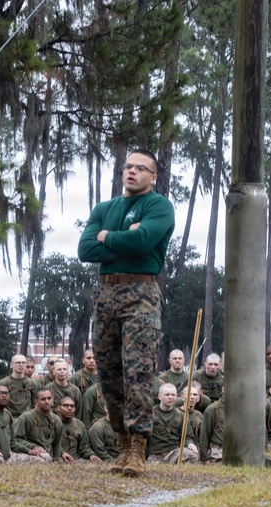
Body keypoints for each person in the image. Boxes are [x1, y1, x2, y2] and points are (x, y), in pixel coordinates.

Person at [77, 148, 174, 477]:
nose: (131, 172)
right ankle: (121, 443)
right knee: (109, 371)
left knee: (137, 371)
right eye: (127, 166)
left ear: (153, 176)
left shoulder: (158, 206)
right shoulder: (105, 208)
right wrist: (123, 237)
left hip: (141, 294)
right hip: (105, 294)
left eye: (140, 168)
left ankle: (138, 447)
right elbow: (85, 249)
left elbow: (144, 241)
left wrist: (108, 238)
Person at [0, 384, 47, 465]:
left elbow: (13, 443)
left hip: (8, 457)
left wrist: (29, 451)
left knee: (40, 459)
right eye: (1, 393)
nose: (4, 396)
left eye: (7, 393)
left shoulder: (8, 414)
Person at [146, 384, 199, 464]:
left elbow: (188, 436)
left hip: (174, 453)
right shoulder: (150, 414)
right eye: (167, 394)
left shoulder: (181, 415)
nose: (170, 397)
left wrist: (190, 444)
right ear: (159, 396)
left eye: (173, 395)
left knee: (193, 455)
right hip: (155, 454)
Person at [13, 388, 59, 462]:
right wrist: (33, 447)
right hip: (29, 453)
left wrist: (57, 461)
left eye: (49, 398)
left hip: (48, 454)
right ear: (36, 401)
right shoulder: (26, 417)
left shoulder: (56, 420)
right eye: (43, 399)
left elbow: (57, 444)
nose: (47, 401)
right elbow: (15, 439)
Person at [55, 395, 94, 463]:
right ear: (58, 408)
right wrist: (62, 452)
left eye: (72, 406)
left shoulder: (79, 425)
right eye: (66, 405)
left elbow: (84, 447)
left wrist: (91, 455)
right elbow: (50, 445)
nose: (69, 408)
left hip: (75, 460)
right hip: (58, 458)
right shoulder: (53, 423)